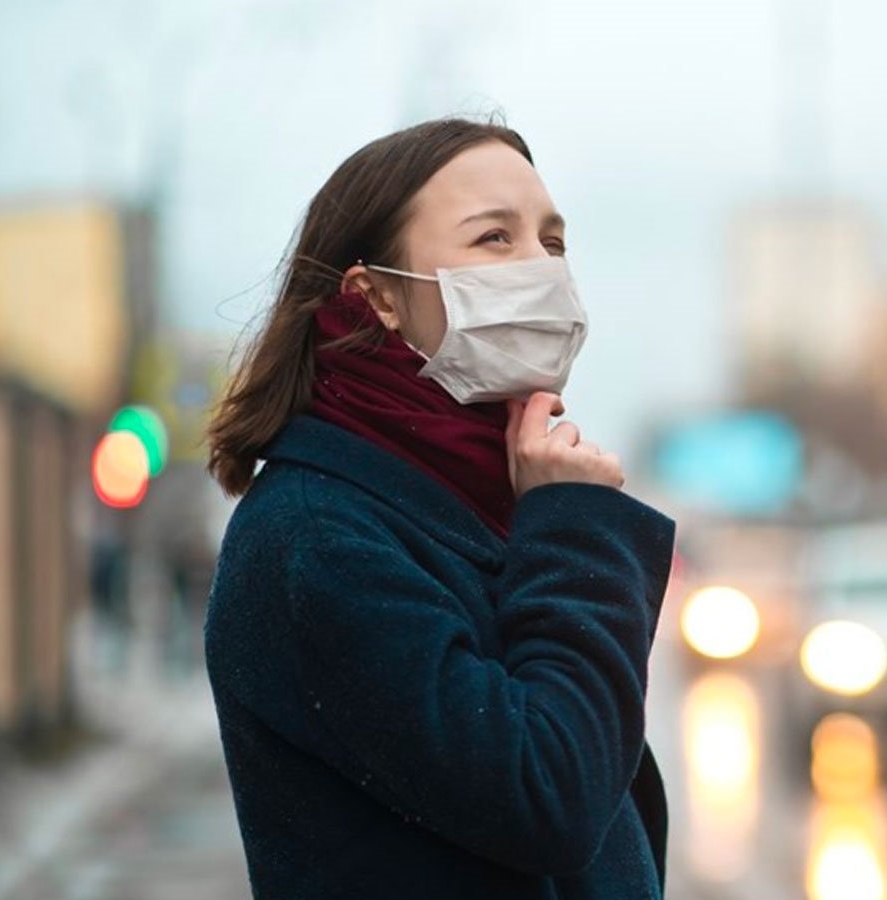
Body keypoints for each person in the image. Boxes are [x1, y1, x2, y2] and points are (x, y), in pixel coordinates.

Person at [201, 116, 676, 899]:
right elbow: (548, 796)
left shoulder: (467, 503)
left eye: (552, 243)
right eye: (494, 239)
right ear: (378, 298)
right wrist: (573, 532)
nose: (542, 269)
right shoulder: (317, 539)